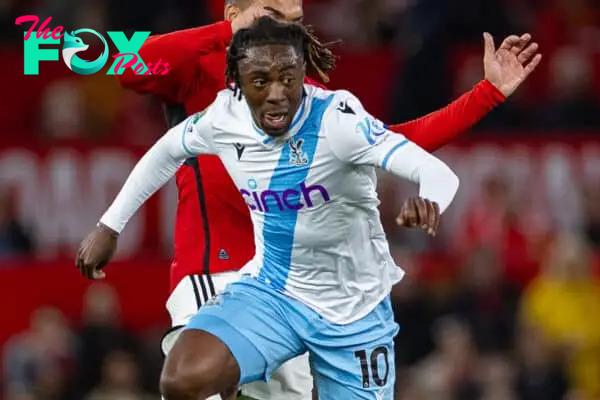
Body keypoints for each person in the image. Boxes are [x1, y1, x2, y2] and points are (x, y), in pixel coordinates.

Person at [77, 1, 542, 399]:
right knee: (189, 380)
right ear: (235, 16)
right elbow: (118, 62)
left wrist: (486, 95)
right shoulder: (208, 82)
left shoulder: (319, 103)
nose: (288, 28)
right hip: (220, 272)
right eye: (274, 15)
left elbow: (399, 144)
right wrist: (109, 224)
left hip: (331, 293)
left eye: (296, 19)